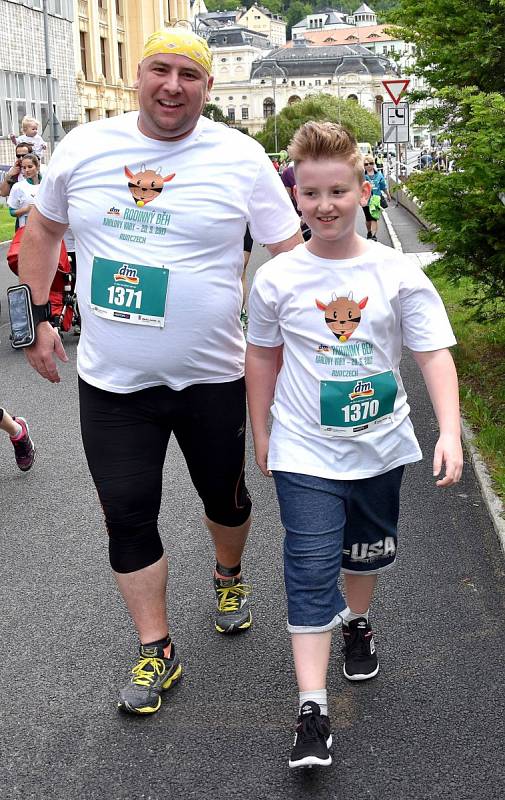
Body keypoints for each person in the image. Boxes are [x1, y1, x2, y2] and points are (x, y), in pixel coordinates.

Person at [17, 27, 302, 716]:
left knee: (225, 500)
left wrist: (301, 347)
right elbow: (44, 230)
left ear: (206, 87)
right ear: (140, 76)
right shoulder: (84, 147)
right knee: (126, 516)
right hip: (115, 384)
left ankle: (227, 572)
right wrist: (37, 317)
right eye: (159, 70)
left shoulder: (237, 157)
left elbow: (288, 251)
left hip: (213, 378)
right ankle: (156, 648)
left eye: (189, 75)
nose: (172, 85)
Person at [245, 121, 463, 769]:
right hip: (303, 450)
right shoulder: (277, 278)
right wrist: (261, 432)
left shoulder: (393, 272)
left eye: (337, 191)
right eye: (310, 193)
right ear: (295, 197)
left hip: (380, 446)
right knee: (309, 567)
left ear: (362, 190)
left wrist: (448, 428)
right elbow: (261, 357)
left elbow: (432, 353)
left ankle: (357, 622)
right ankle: (311, 708)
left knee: (362, 554)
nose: (324, 205)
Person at [7, 154, 42, 228]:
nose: (27, 170)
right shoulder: (18, 187)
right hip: (25, 230)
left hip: (45, 229)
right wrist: (26, 209)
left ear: (38, 167)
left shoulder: (47, 185)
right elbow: (12, 212)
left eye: (30, 167)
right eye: (24, 168)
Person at [363, 156, 390, 241]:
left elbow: (383, 186)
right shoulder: (362, 176)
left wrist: (388, 195)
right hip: (366, 200)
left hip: (376, 199)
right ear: (364, 166)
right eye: (366, 164)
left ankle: (374, 235)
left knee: (374, 217)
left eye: (371, 163)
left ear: (373, 164)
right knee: (368, 218)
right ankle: (369, 232)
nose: (369, 166)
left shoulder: (379, 175)